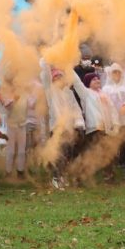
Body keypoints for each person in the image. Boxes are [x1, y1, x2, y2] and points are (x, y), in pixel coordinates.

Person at [40, 60, 86, 190]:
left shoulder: (69, 93)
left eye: (61, 76)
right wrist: (48, 60)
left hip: (69, 128)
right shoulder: (50, 91)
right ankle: (56, 178)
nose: (59, 79)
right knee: (59, 153)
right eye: (56, 77)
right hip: (57, 128)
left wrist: (79, 123)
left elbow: (76, 110)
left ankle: (61, 176)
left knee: (68, 153)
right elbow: (45, 76)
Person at [102, 63, 125, 176]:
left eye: (118, 72)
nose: (116, 74)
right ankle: (111, 171)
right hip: (113, 121)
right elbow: (104, 105)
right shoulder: (106, 89)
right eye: (114, 72)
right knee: (113, 145)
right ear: (110, 74)